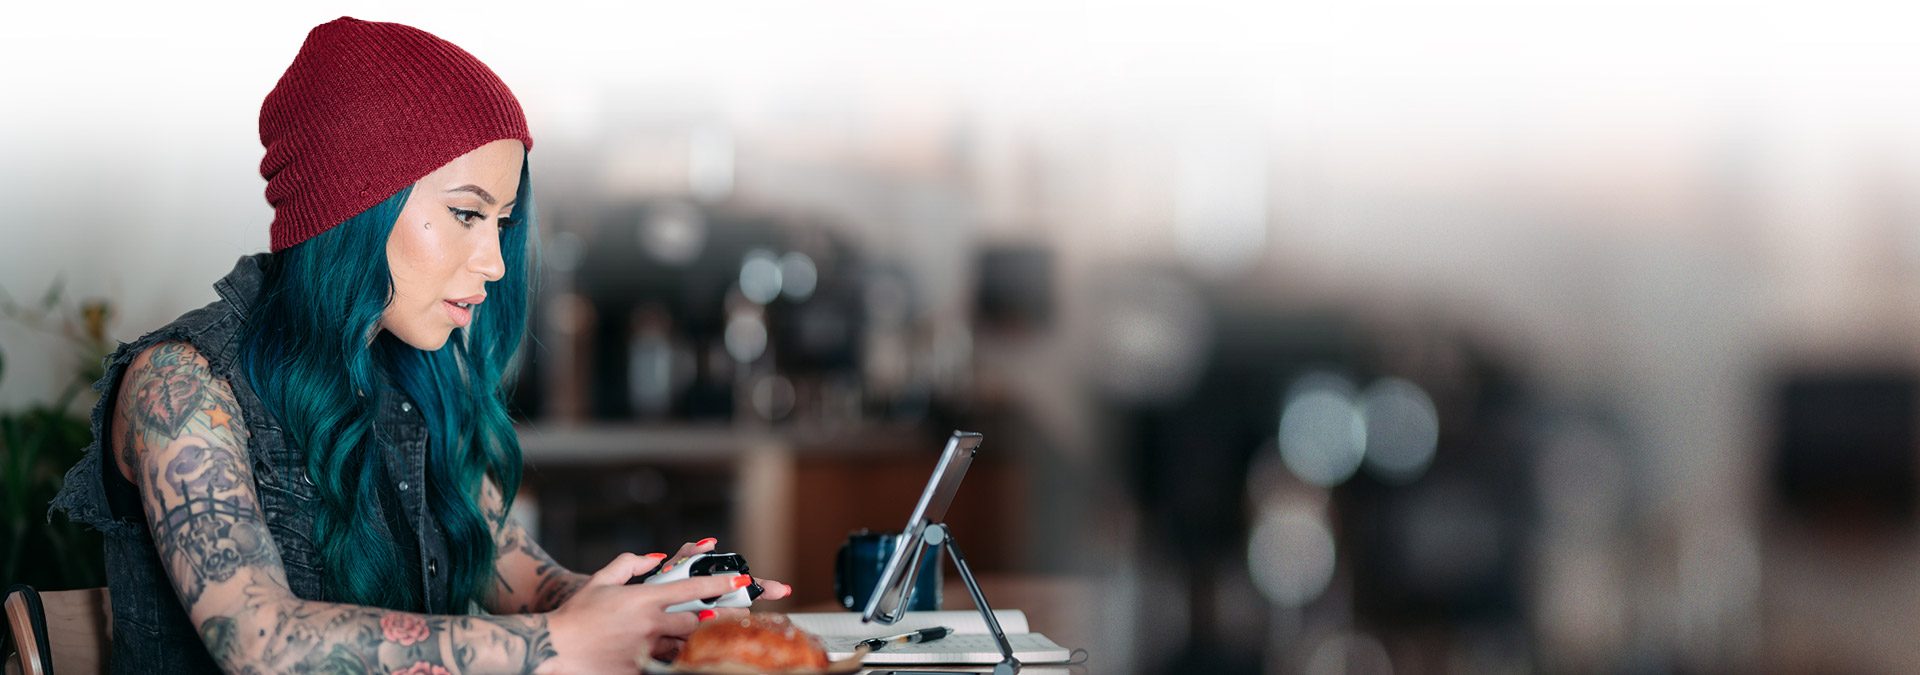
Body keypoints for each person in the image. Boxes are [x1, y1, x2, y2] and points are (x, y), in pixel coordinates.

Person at [50, 17, 789, 674]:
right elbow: (260, 641)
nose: (495, 263)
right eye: (466, 213)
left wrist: (652, 604)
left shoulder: (415, 375)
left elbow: (517, 573)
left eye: (501, 223)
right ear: (352, 211)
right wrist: (558, 647)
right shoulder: (179, 385)